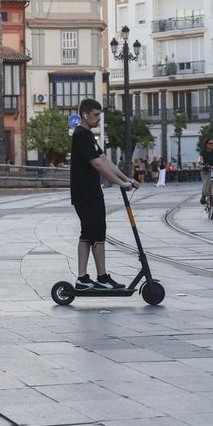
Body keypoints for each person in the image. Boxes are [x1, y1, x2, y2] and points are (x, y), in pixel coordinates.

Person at [70, 99, 137, 291]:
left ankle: (83, 278)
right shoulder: (81, 135)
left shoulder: (87, 135)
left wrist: (127, 179)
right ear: (85, 115)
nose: (99, 118)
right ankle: (102, 277)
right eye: (96, 115)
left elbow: (104, 160)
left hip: (88, 192)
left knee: (88, 234)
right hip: (86, 193)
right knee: (97, 234)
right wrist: (120, 183)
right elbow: (97, 165)